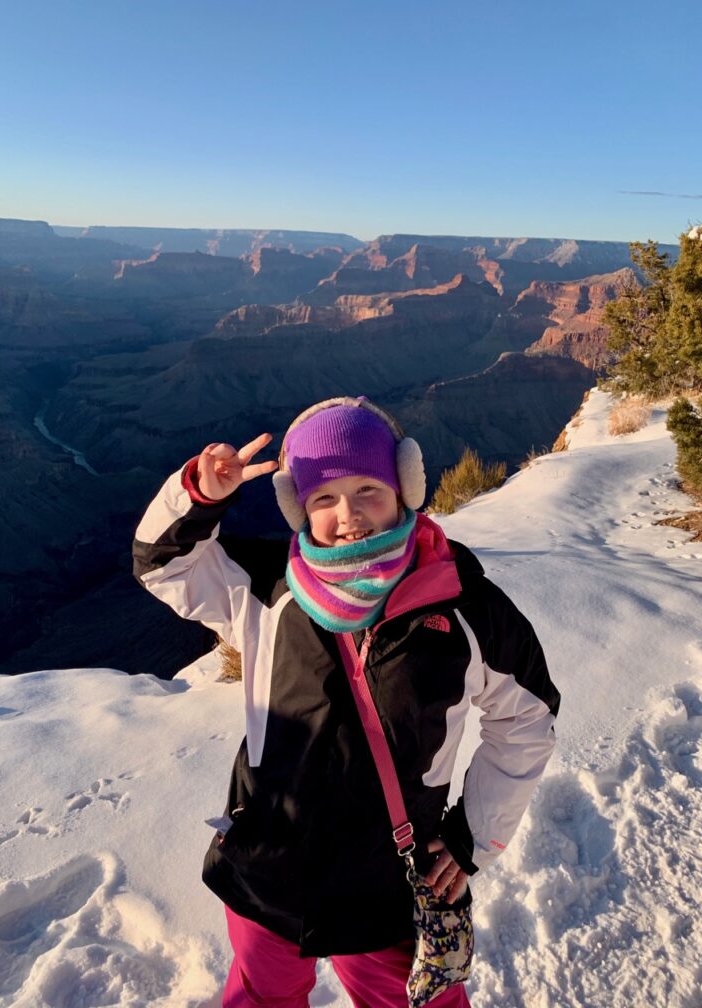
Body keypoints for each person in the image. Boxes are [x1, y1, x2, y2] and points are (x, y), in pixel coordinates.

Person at [133, 396, 560, 1008]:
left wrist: (470, 839)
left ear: (405, 488)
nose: (348, 514)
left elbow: (529, 719)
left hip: (389, 885)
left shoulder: (463, 606)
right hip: (270, 874)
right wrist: (199, 497)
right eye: (324, 498)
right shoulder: (266, 593)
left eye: (367, 489)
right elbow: (161, 566)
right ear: (298, 507)